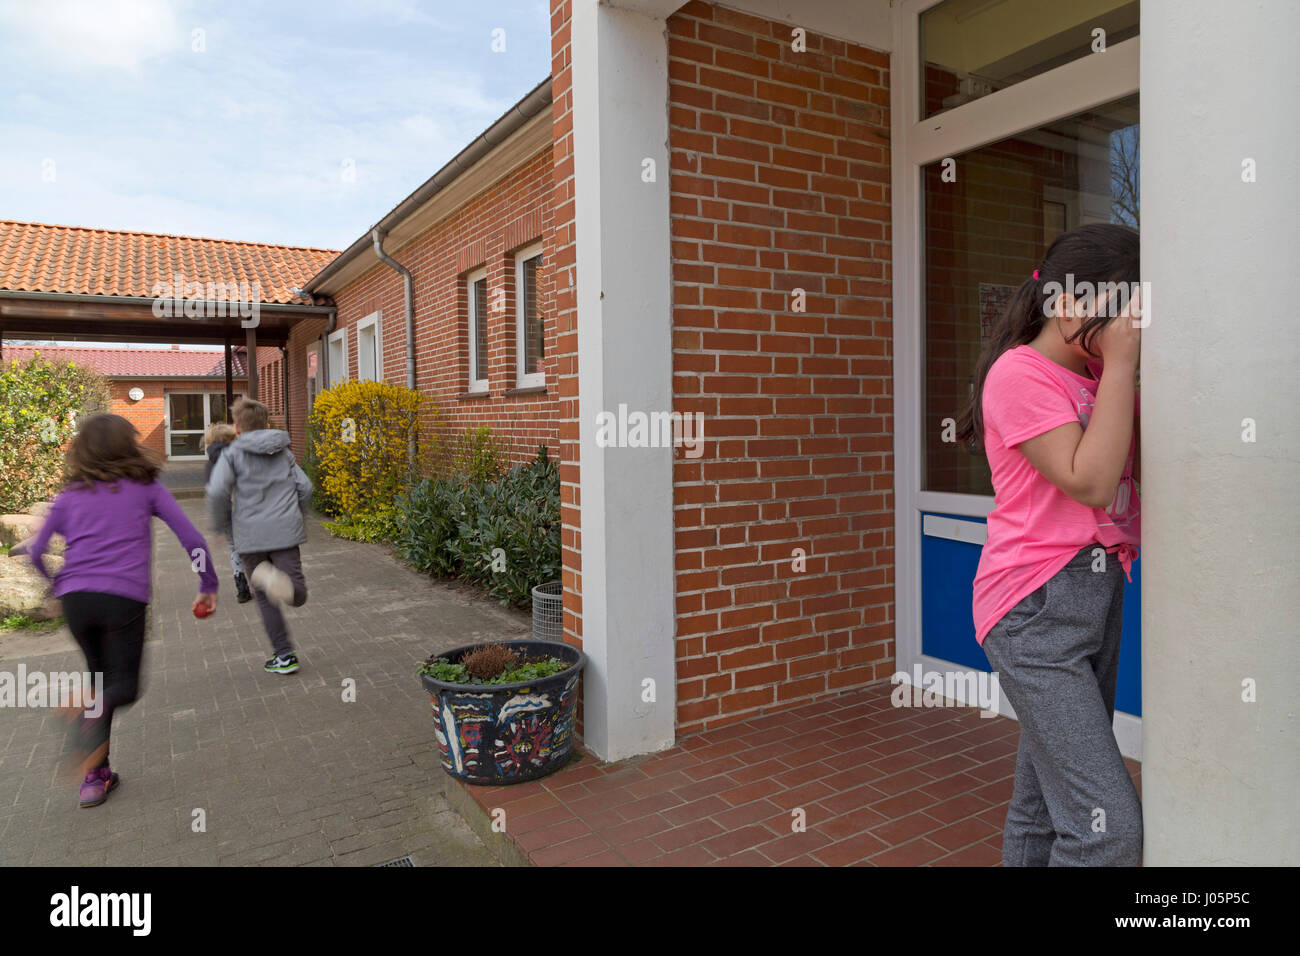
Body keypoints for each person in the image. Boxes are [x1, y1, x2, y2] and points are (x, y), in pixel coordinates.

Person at [956, 222, 1142, 867]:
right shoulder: (1019, 374)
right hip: (1034, 608)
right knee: (1106, 830)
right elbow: (1089, 481)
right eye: (1116, 310)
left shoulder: (1097, 379)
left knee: (1042, 809)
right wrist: (1121, 367)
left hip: (1097, 592)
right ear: (1065, 300)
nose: (1126, 330)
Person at [27, 414, 218, 808]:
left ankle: (96, 777)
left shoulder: (69, 494)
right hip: (122, 600)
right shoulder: (145, 487)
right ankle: (82, 712)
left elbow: (34, 550)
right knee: (123, 687)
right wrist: (208, 583)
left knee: (101, 687)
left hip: (78, 603)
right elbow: (192, 538)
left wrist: (55, 587)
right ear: (128, 445)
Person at [205, 398, 312, 675]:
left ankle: (284, 655)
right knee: (297, 594)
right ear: (266, 424)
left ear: (237, 430)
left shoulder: (231, 455)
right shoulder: (284, 453)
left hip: (249, 536)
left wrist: (221, 525)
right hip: (285, 532)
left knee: (264, 597)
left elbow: (217, 492)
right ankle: (279, 588)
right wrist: (295, 512)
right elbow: (306, 488)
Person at [202, 421, 252, 603]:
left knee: (234, 549)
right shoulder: (240, 456)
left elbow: (213, 493)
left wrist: (217, 524)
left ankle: (242, 589)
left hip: (227, 513)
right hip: (248, 510)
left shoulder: (211, 463)